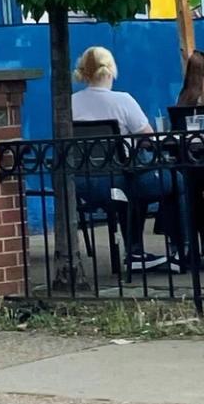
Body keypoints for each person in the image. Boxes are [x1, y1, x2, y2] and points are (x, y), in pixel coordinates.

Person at [69, 46, 166, 272]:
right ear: (111, 70)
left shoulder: (70, 103)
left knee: (135, 185)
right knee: (175, 182)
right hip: (119, 181)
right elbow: (149, 137)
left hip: (82, 183)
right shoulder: (123, 100)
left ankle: (136, 251)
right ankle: (177, 249)